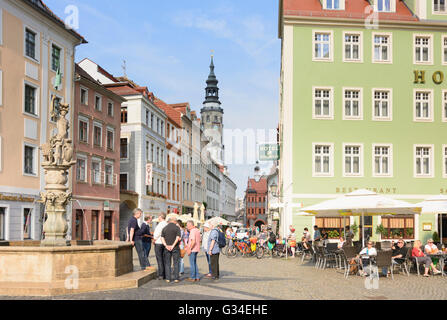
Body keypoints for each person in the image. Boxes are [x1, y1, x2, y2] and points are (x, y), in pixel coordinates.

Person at [161, 216, 182, 283]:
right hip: (175, 247)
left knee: (167, 263)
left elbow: (162, 238)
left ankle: (168, 278)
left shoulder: (164, 228)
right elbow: (177, 237)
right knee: (176, 263)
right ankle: (176, 278)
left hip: (167, 248)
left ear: (169, 221)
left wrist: (166, 245)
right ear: (175, 221)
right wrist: (173, 245)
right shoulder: (177, 228)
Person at [153, 213, 168, 280]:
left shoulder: (161, 224)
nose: (158, 217)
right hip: (164, 243)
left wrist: (154, 239)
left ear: (161, 217)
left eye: (158, 216)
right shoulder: (166, 224)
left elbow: (157, 233)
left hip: (159, 242)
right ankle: (164, 273)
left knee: (159, 259)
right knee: (164, 258)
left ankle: (161, 274)